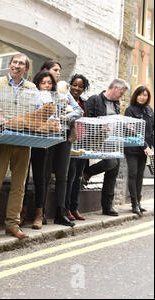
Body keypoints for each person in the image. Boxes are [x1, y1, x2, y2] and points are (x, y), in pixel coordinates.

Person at [0, 53, 36, 241]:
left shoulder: (32, 88)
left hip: (23, 141)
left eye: (22, 64)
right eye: (15, 62)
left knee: (19, 185)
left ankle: (13, 224)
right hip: (1, 139)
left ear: (26, 69)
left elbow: (37, 113)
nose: (17, 66)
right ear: (9, 65)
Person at [31, 61, 83, 228]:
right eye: (55, 70)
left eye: (59, 71)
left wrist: (66, 117)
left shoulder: (63, 92)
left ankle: (60, 212)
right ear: (45, 71)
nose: (58, 73)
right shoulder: (39, 91)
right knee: (44, 175)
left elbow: (79, 111)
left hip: (63, 136)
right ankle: (42, 212)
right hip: (46, 136)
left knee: (63, 175)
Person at [82, 78, 129, 216]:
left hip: (112, 141)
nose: (121, 96)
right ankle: (88, 172)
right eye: (121, 93)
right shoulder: (95, 99)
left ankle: (107, 207)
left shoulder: (116, 104)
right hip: (96, 140)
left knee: (113, 170)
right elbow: (87, 119)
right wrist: (99, 127)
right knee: (111, 162)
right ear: (114, 88)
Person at [65, 74, 91, 221]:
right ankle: (66, 208)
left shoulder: (84, 103)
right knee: (71, 176)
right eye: (74, 85)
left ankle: (75, 208)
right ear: (70, 85)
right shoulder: (66, 99)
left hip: (82, 144)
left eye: (80, 86)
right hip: (70, 143)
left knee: (78, 177)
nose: (77, 88)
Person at [124, 86, 153, 215]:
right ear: (135, 96)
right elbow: (133, 131)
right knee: (133, 174)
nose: (142, 97)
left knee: (140, 176)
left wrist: (150, 146)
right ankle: (134, 203)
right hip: (132, 148)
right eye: (140, 95)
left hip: (144, 149)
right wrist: (145, 145)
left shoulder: (149, 110)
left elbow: (152, 130)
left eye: (145, 95)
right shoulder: (130, 110)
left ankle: (139, 202)